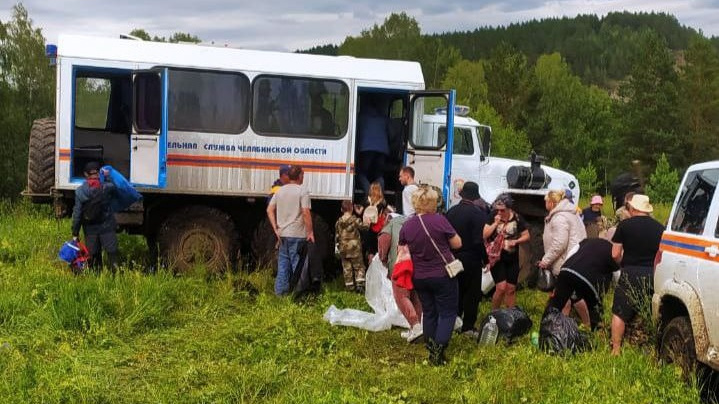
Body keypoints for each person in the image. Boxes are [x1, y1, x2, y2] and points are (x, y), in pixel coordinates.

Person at [399, 186, 462, 365]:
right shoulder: (439, 220)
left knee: (429, 312)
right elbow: (457, 243)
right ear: (433, 203)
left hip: (419, 276)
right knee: (447, 312)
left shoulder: (408, 224)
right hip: (442, 274)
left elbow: (402, 248)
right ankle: (438, 352)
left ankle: (430, 346)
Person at [610, 194, 664, 355]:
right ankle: (650, 347)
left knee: (619, 312)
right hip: (651, 274)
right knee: (649, 311)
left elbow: (614, 254)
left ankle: (616, 349)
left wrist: (623, 263)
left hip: (630, 271)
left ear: (633, 208)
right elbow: (661, 255)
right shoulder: (660, 228)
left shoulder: (624, 225)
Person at [445, 181, 489, 337]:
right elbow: (479, 241)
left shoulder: (451, 212)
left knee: (456, 290)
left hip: (453, 257)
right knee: (472, 293)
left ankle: (454, 321)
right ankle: (468, 326)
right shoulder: (479, 214)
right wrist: (486, 258)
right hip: (472, 258)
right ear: (475, 197)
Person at [545, 238, 619, 330]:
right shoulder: (615, 252)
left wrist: (564, 271)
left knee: (556, 303)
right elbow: (617, 276)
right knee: (594, 309)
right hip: (589, 280)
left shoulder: (588, 241)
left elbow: (572, 253)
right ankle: (595, 333)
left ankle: (547, 330)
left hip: (567, 270)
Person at [267, 165, 315, 296]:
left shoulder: (280, 191)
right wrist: (310, 232)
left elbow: (269, 209)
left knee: (283, 265)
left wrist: (276, 228)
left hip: (282, 235)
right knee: (297, 265)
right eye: (303, 175)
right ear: (299, 176)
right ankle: (299, 294)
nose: (303, 177)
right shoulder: (302, 191)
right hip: (297, 234)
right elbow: (305, 213)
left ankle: (280, 294)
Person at [378, 213, 423, 342]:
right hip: (418, 266)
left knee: (401, 297)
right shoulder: (416, 222)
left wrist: (383, 258)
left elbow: (384, 240)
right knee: (415, 297)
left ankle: (415, 326)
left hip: (400, 265)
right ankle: (416, 328)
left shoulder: (391, 224)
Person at [483, 194, 530, 310]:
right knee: (501, 287)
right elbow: (484, 234)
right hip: (497, 256)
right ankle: (494, 313)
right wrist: (495, 224)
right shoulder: (493, 216)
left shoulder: (517, 218)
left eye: (502, 210)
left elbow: (527, 235)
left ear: (509, 209)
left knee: (511, 288)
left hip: (512, 256)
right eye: (497, 209)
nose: (499, 212)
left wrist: (516, 241)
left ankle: (510, 315)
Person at [71, 161, 119, 271]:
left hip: (90, 229)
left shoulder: (80, 191)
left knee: (93, 256)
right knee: (112, 254)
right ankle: (117, 279)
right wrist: (107, 177)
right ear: (99, 173)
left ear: (86, 174)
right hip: (107, 227)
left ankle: (96, 279)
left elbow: (77, 214)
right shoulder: (107, 188)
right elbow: (116, 187)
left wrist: (75, 232)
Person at [356, 95, 390, 196]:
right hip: (382, 151)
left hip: (366, 150)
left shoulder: (360, 117)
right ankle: (380, 198)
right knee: (378, 175)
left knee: (361, 173)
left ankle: (370, 195)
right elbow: (390, 133)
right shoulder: (383, 118)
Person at [335, 200, 368, 292]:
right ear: (352, 209)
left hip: (343, 249)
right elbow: (364, 227)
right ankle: (360, 286)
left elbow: (337, 236)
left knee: (347, 268)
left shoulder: (338, 222)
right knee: (359, 266)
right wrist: (367, 221)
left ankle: (350, 287)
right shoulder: (355, 220)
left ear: (342, 209)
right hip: (355, 248)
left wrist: (337, 247)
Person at [359, 181, 388, 261]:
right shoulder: (383, 202)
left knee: (366, 248)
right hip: (376, 228)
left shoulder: (366, 200)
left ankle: (366, 266)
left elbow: (360, 212)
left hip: (366, 228)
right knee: (375, 249)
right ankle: (374, 266)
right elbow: (385, 213)